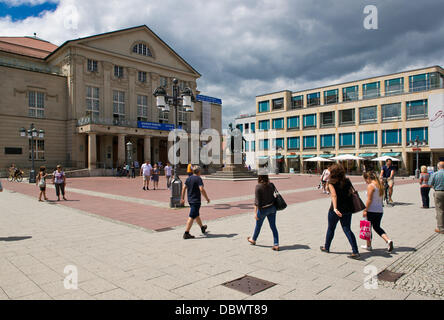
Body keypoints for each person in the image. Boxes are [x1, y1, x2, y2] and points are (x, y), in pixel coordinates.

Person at [320, 164, 360, 259]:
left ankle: (326, 247)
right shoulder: (347, 181)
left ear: (333, 173)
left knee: (331, 228)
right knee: (347, 229)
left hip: (336, 209)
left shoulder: (331, 182)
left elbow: (334, 195)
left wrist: (335, 208)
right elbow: (352, 192)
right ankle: (355, 251)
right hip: (347, 209)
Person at [361, 171, 394, 252]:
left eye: (365, 180)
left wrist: (365, 210)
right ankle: (388, 240)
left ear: (368, 178)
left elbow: (369, 199)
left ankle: (369, 246)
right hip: (379, 210)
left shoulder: (371, 186)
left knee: (368, 228)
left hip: (371, 210)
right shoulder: (380, 185)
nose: (365, 182)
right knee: (377, 227)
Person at [247, 175, 279, 251]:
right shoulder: (271, 184)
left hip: (263, 210)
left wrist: (255, 213)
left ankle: (253, 239)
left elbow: (257, 202)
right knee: (273, 226)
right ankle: (276, 244)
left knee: (258, 225)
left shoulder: (258, 187)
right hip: (272, 208)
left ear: (259, 177)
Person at [180, 166, 210, 239]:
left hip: (190, 200)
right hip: (196, 200)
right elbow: (201, 189)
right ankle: (186, 233)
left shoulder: (188, 178)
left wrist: (182, 198)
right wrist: (207, 198)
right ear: (199, 172)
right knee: (192, 216)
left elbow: (184, 188)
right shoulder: (198, 179)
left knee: (196, 214)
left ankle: (202, 227)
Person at [429, 161, 444, 234]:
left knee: (440, 210)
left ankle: (441, 228)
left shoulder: (435, 174)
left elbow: (430, 184)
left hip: (438, 192)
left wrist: (435, 187)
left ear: (438, 167)